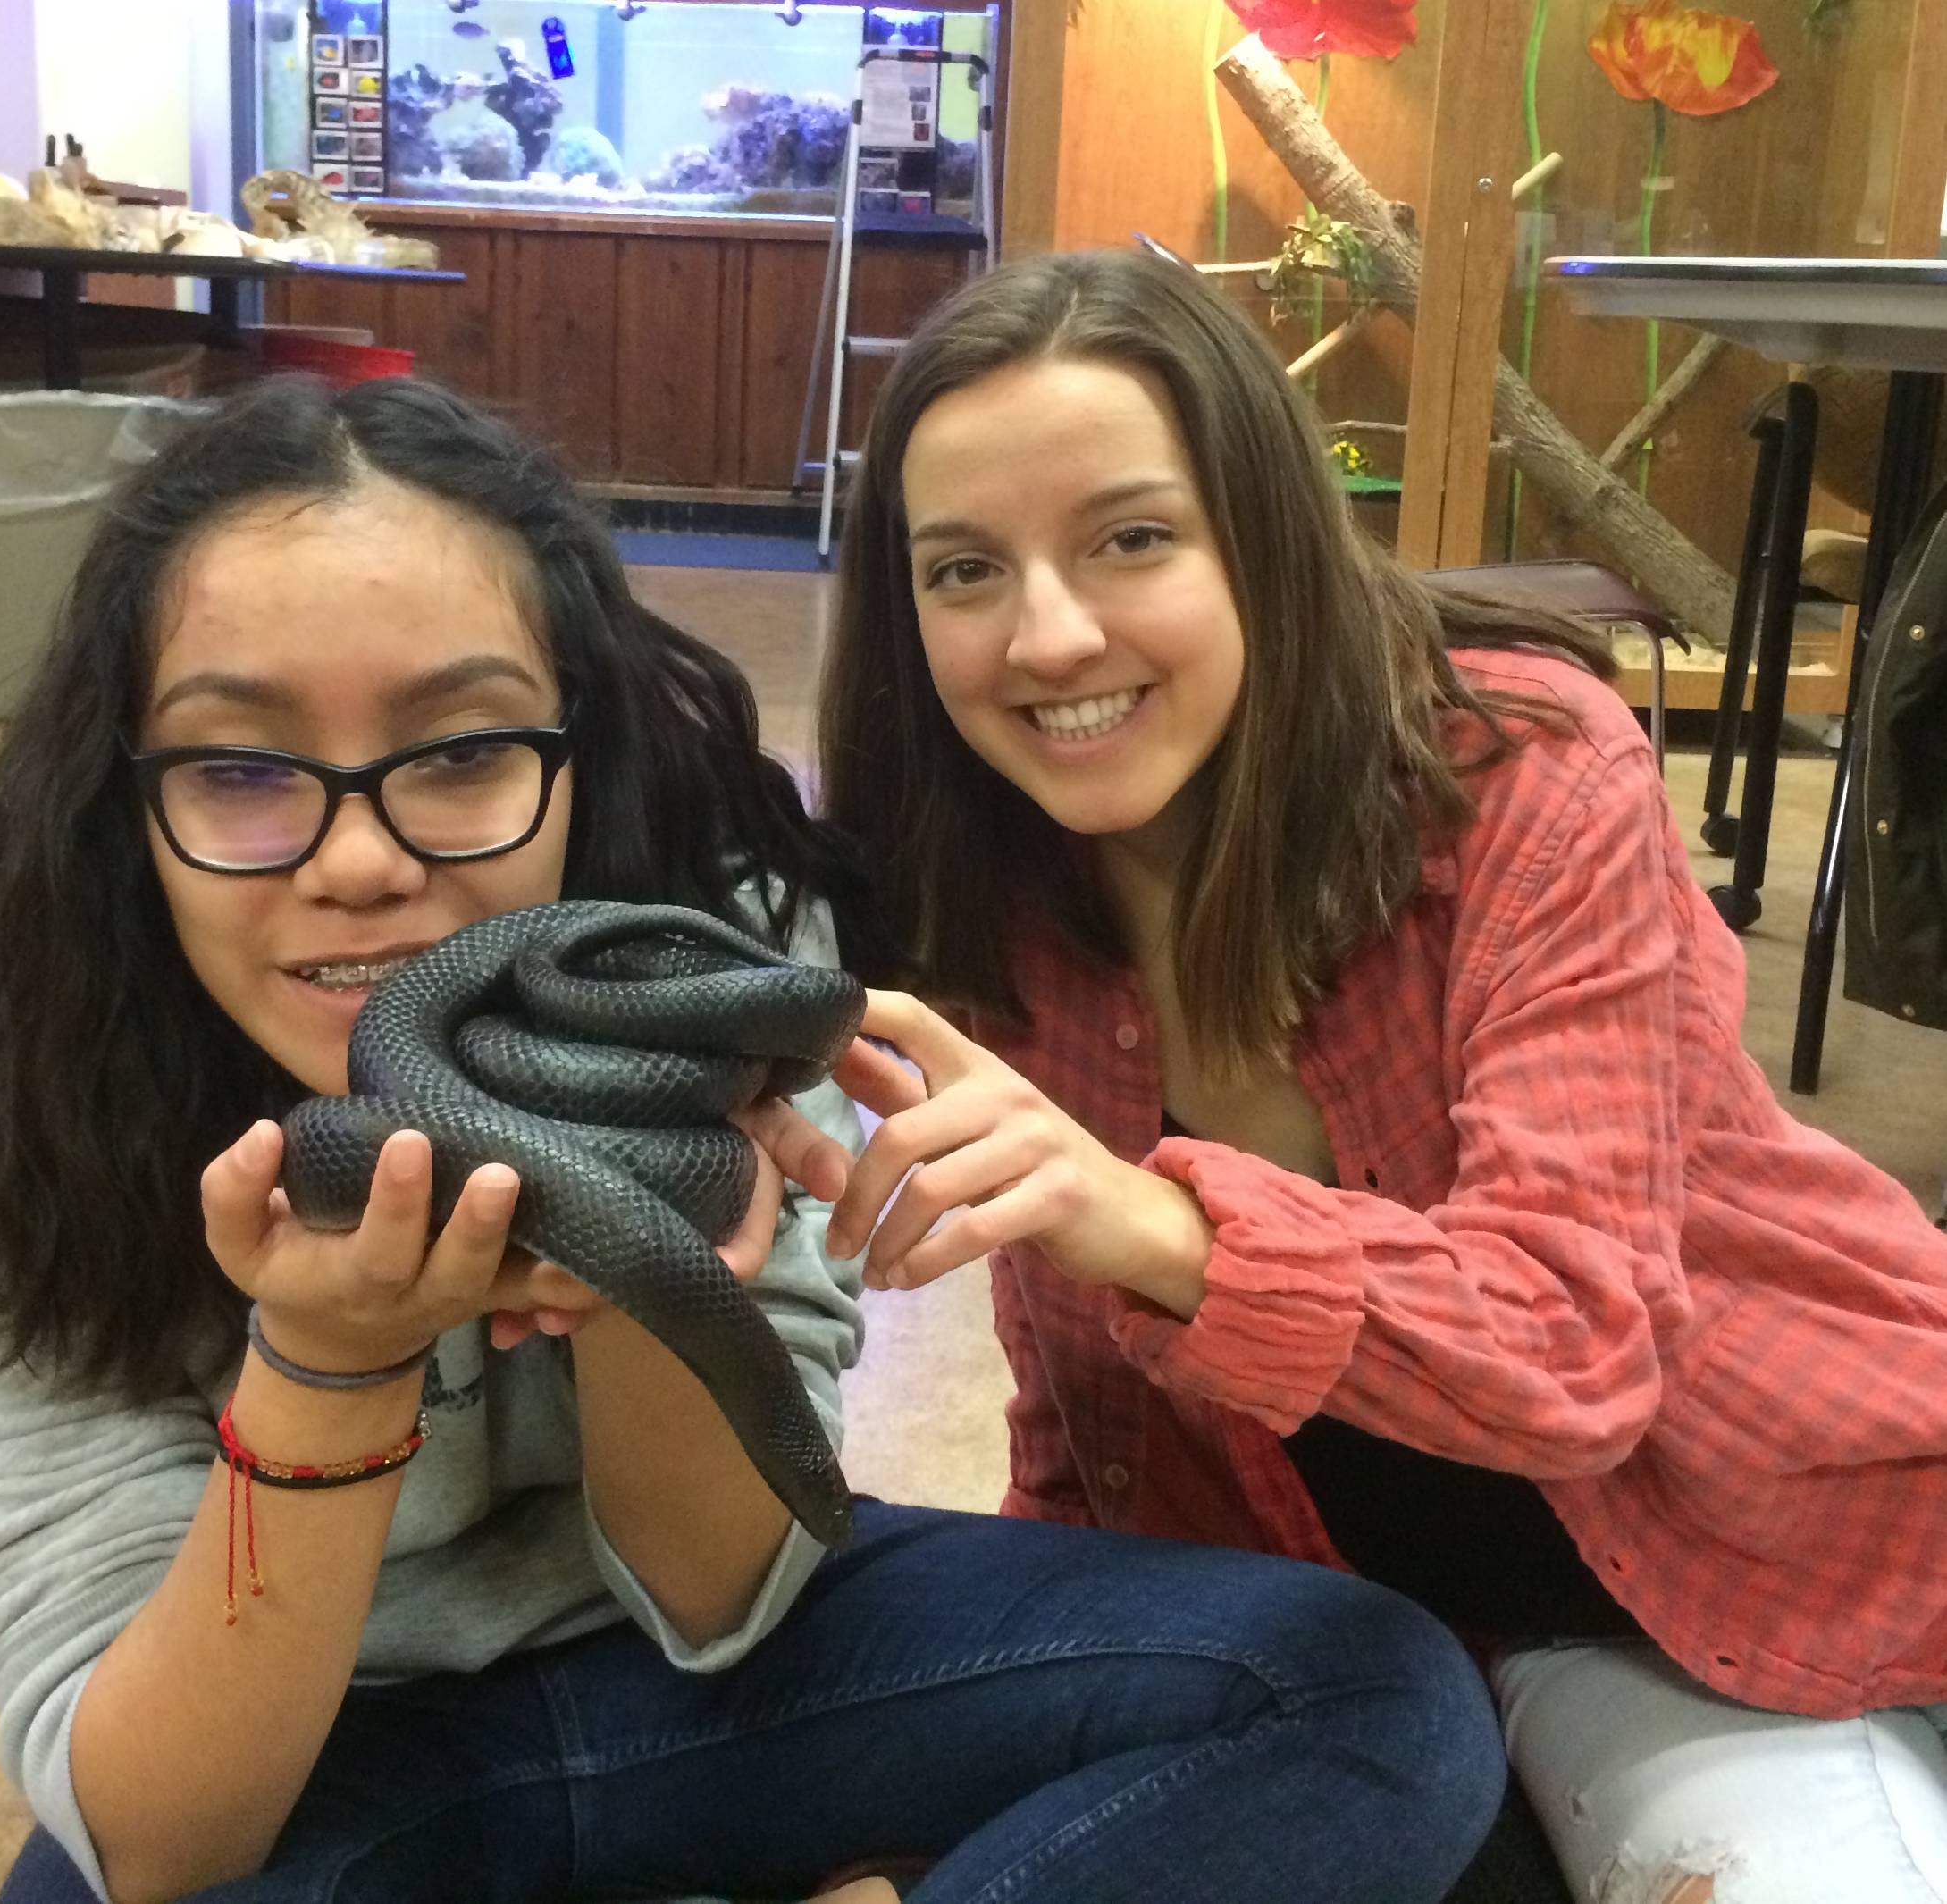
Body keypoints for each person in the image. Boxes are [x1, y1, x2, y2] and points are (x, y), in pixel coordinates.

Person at [0, 374, 1506, 1904]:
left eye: (463, 751)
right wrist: (326, 1365)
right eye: (242, 768)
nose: (362, 862)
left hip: (735, 1687)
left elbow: (723, 1598)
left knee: (1367, 1700)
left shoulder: (724, 962)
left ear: (577, 743)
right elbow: (166, 1841)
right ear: (125, 787)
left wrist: (637, 1290)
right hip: (318, 1755)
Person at [813, 244, 1947, 1904]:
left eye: (1132, 538)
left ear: (1262, 540)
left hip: (1797, 1555)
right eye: (965, 570)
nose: (1048, 637)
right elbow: (1091, 1448)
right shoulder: (978, 911)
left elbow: (1579, 1340)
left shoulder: (1518, 783)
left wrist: (1160, 1226)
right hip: (1449, 1651)